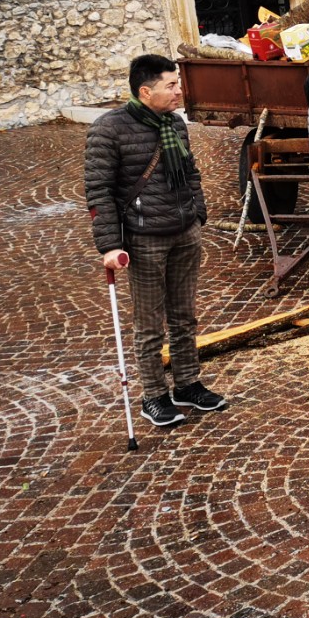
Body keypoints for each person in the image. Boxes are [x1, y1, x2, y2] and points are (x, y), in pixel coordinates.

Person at [84, 54, 226, 427]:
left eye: (178, 83)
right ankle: (154, 395)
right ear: (145, 91)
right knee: (149, 324)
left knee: (184, 317)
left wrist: (198, 213)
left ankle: (187, 384)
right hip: (143, 239)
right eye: (171, 85)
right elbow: (99, 191)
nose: (180, 91)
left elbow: (191, 171)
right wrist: (110, 246)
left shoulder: (175, 125)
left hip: (184, 232)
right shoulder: (108, 130)